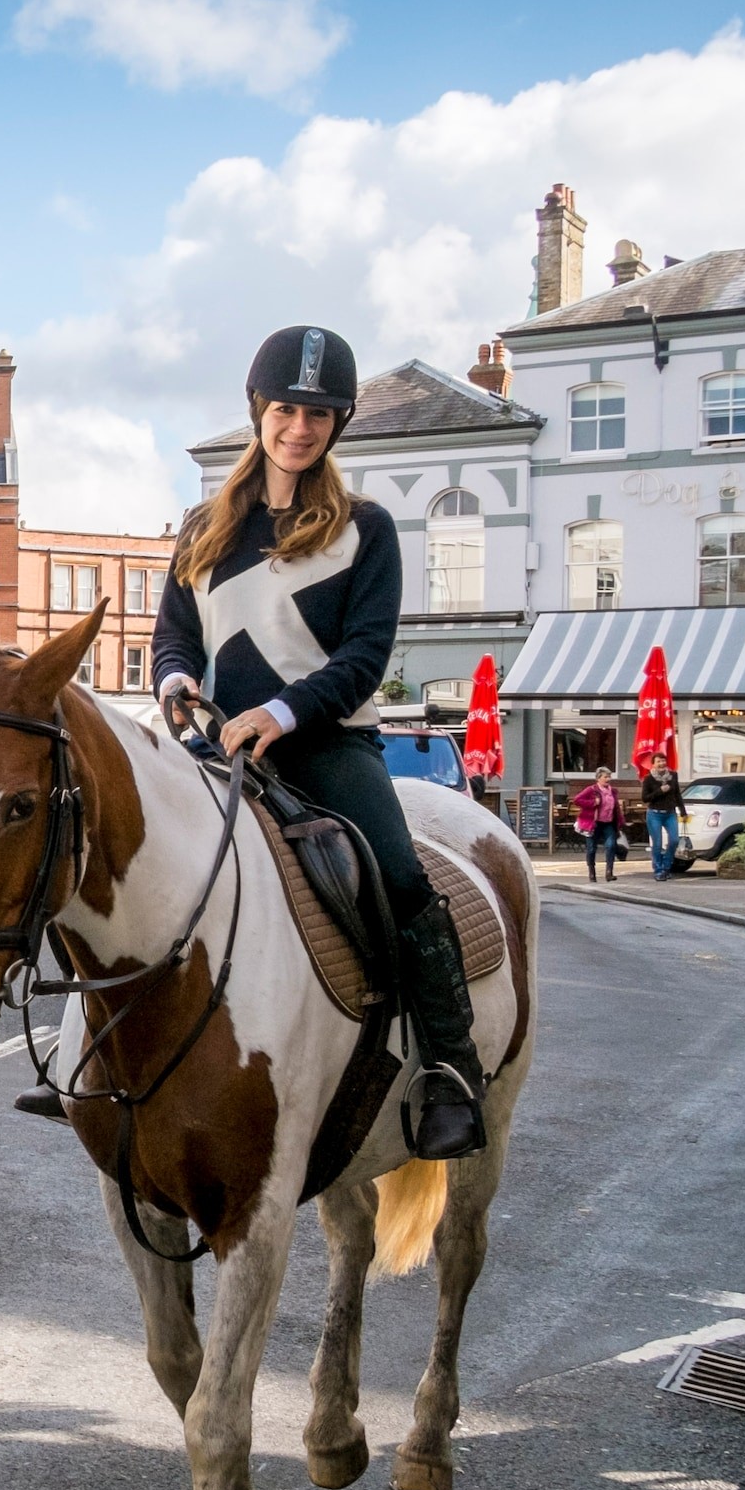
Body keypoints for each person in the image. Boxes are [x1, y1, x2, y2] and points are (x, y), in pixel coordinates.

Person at [153, 324, 487, 1161]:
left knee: (403, 879)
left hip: (328, 746)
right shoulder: (204, 529)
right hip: (220, 750)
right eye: (286, 410)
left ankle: (449, 1069)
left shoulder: (365, 529)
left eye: (319, 414)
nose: (299, 427)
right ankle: (100, 1058)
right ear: (259, 410)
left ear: (338, 424)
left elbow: (365, 657)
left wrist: (285, 713)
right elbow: (175, 635)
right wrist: (173, 682)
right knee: (135, 867)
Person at [572, 768, 623, 882]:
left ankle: (609, 872)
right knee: (591, 849)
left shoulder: (613, 791)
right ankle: (592, 872)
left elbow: (616, 809)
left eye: (609, 777)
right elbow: (577, 800)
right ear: (598, 778)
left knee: (611, 846)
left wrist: (620, 821)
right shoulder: (591, 790)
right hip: (593, 824)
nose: (608, 779)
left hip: (608, 823)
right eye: (605, 777)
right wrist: (593, 803)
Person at [639, 752, 684, 880]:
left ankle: (666, 865)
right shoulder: (648, 779)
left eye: (663, 761)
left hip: (670, 813)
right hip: (654, 814)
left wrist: (683, 810)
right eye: (658, 761)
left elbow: (677, 794)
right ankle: (658, 870)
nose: (662, 764)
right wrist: (660, 791)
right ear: (653, 764)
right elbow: (645, 798)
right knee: (657, 843)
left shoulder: (673, 776)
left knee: (674, 840)